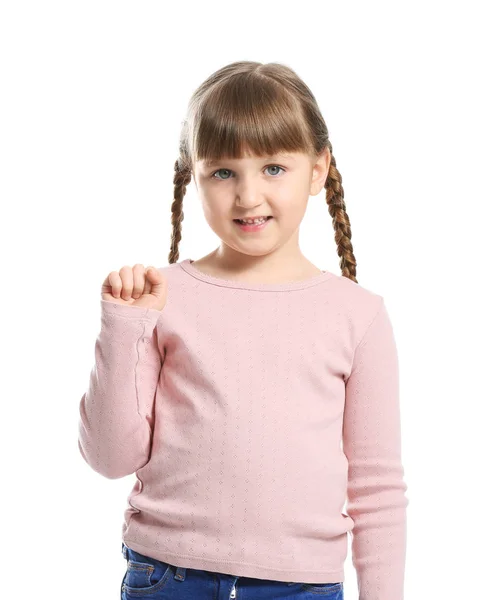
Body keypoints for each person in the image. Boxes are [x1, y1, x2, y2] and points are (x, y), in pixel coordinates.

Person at [77, 60, 409, 600]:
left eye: (274, 168)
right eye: (223, 172)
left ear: (318, 168)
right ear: (193, 175)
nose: (249, 196)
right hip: (167, 575)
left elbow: (376, 488)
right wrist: (122, 329)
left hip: (300, 585)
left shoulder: (359, 315)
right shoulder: (161, 298)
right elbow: (110, 458)